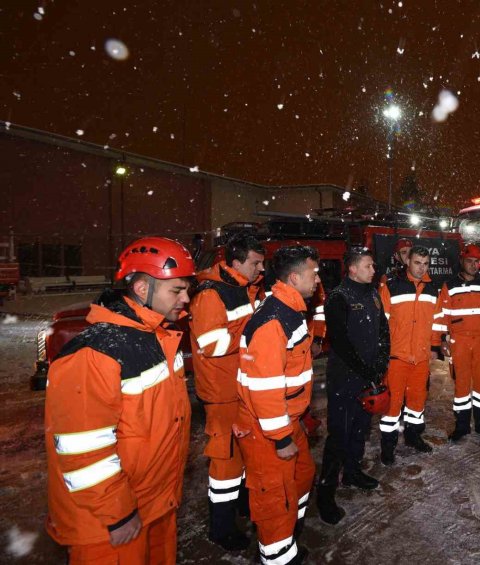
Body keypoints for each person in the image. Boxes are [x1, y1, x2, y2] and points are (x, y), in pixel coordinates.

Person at [45, 237, 195, 564]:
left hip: (154, 503)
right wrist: (118, 513)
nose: (186, 299)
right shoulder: (94, 352)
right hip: (109, 524)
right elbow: (81, 448)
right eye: (177, 290)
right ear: (142, 289)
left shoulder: (158, 337)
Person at [234, 246, 320, 565]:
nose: (317, 281)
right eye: (313, 274)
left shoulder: (290, 310)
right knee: (275, 498)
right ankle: (277, 555)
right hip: (267, 430)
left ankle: (289, 539)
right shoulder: (274, 320)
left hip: (287, 420)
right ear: (294, 277)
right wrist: (281, 438)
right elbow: (264, 388)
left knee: (301, 476)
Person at [189, 233, 265, 550]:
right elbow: (212, 344)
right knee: (226, 465)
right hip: (222, 395)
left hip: (241, 389)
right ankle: (221, 527)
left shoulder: (244, 288)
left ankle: (242, 507)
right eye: (255, 262)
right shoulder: (212, 294)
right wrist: (253, 334)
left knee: (245, 456)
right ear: (235, 263)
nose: (261, 268)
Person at [317, 247, 390, 524]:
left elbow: (383, 329)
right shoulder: (338, 297)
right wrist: (366, 369)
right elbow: (340, 342)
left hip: (369, 376)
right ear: (353, 269)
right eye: (369, 266)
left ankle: (352, 471)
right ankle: (326, 495)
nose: (373, 271)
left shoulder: (372, 293)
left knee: (361, 428)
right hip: (345, 379)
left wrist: (381, 362)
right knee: (339, 435)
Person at [378, 245, 440, 464]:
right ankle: (388, 447)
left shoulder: (433, 289)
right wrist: (382, 352)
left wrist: (434, 347)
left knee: (417, 403)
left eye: (425, 264)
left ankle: (413, 437)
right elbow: (381, 323)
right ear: (408, 262)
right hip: (397, 357)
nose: (421, 268)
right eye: (417, 263)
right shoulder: (392, 286)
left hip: (421, 358)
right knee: (392, 406)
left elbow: (437, 322)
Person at [432, 244, 480, 441]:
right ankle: (461, 425)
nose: (474, 265)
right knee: (461, 385)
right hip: (459, 341)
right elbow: (441, 315)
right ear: (462, 261)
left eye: (477, 261)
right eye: (470, 261)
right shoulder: (450, 285)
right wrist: (442, 340)